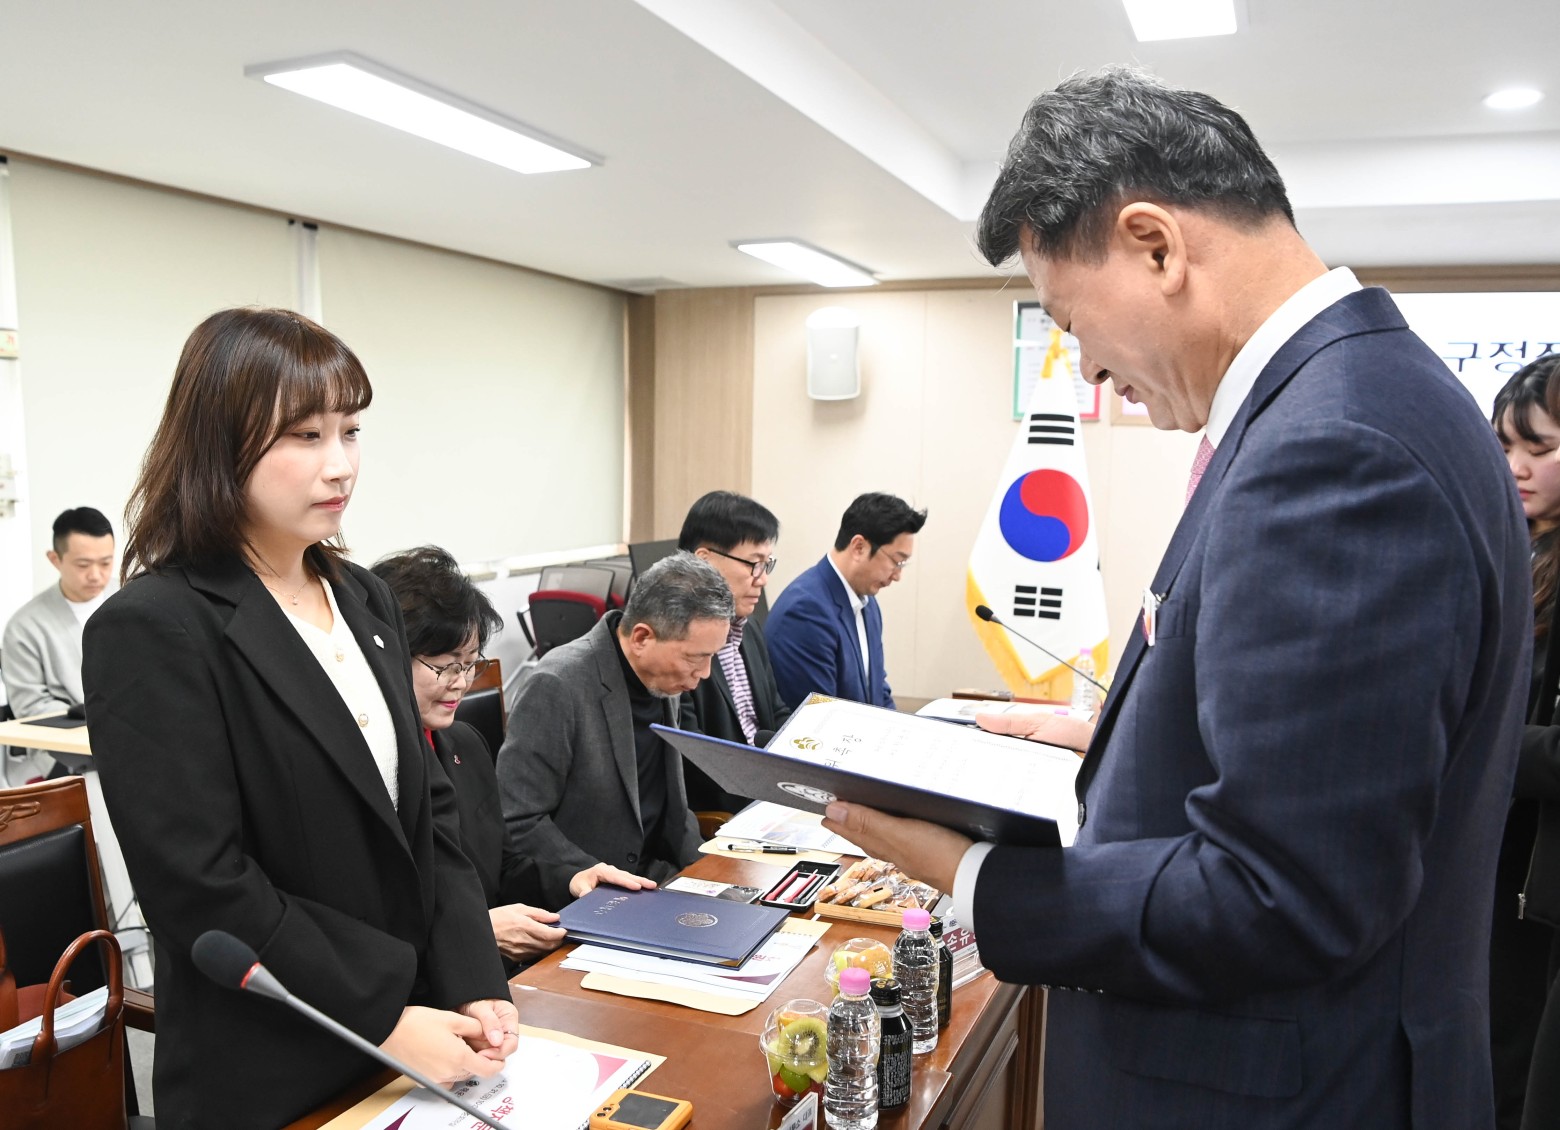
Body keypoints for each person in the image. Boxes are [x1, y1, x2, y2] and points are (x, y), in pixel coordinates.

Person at [821, 68, 1530, 1129]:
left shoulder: (1338, 447)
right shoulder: (1355, 397)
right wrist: (1118, 739)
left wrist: (972, 876)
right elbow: (1332, 770)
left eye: (1069, 319)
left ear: (1155, 245)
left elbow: (1284, 893)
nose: (1084, 368)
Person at [82, 308, 517, 1130]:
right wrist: (381, 1014)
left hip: (422, 1035)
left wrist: (473, 979)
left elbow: (428, 811)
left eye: (350, 431)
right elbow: (200, 885)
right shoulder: (155, 625)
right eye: (305, 436)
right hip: (277, 1058)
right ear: (220, 444)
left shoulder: (364, 597)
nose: (340, 464)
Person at [371, 545, 651, 965]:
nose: (461, 683)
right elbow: (373, 920)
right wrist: (477, 929)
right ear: (384, 653)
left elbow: (501, 866)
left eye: (470, 663)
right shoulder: (367, 767)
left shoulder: (463, 744)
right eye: (446, 665)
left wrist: (574, 879)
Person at [497, 552, 732, 906]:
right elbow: (518, 819)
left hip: (658, 882)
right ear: (641, 637)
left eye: (712, 656)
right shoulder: (558, 685)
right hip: (589, 894)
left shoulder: (662, 680)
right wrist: (599, 879)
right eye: (695, 657)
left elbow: (671, 809)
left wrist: (711, 877)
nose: (705, 673)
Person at [1490, 353, 1560, 1129]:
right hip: (1499, 862)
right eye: (1506, 447)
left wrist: (1481, 743)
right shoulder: (1517, 549)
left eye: (1539, 449)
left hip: (1538, 885)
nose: (1516, 468)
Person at [675, 490, 792, 811]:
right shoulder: (675, 641)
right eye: (754, 564)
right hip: (727, 810)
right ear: (704, 560)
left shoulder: (748, 629)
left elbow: (775, 711)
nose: (762, 579)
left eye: (767, 565)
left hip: (771, 794)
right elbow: (693, 759)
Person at [765, 491, 925, 710]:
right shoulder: (806, 611)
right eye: (896, 562)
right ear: (859, 547)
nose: (898, 576)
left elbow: (878, 690)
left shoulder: (867, 602)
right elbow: (820, 715)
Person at [2, 506, 114, 774]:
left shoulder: (131, 603)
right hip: (64, 752)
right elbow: (31, 705)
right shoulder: (26, 625)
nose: (96, 575)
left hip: (134, 736)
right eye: (83, 565)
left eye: (106, 563)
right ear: (55, 559)